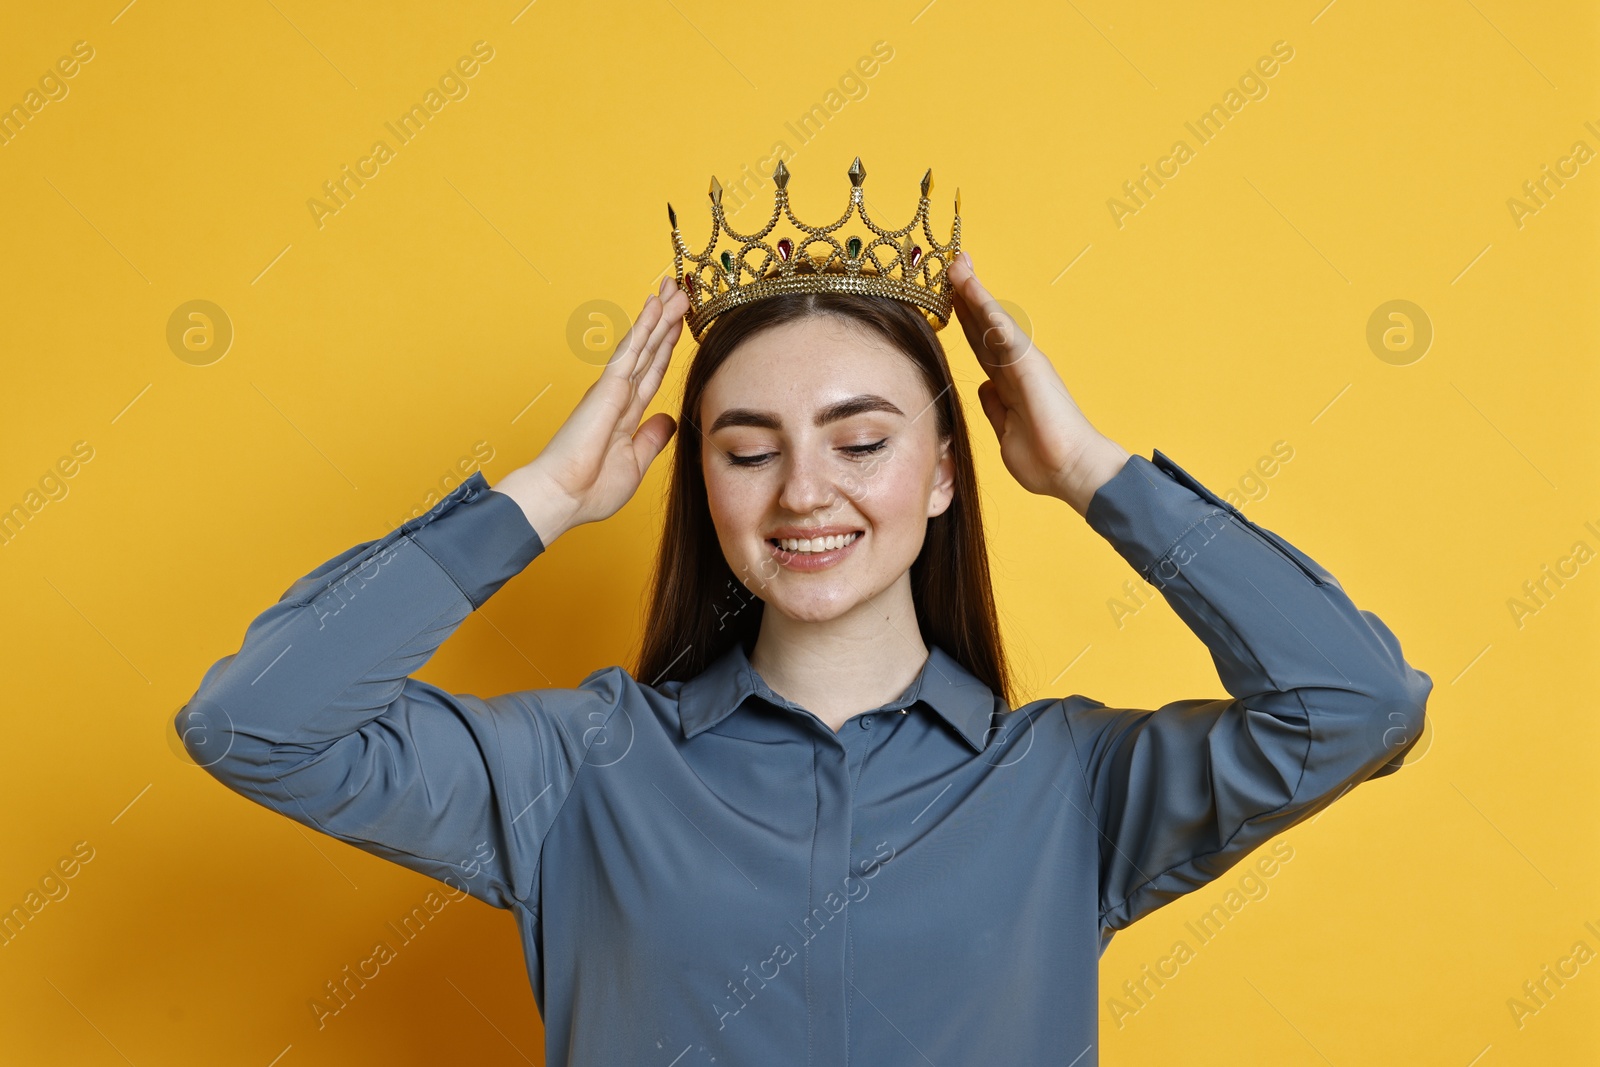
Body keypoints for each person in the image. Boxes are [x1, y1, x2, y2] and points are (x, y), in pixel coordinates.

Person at [179, 237, 1431, 1063]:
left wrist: (1097, 475)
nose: (804, 492)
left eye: (862, 439)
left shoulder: (1069, 787)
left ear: (946, 471)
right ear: (702, 482)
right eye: (748, 446)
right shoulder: (575, 768)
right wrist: (542, 497)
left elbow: (1356, 701)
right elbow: (252, 721)